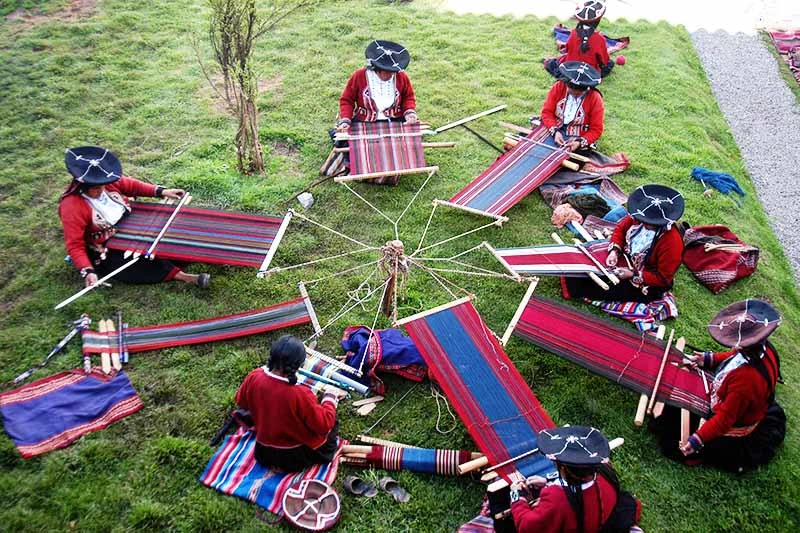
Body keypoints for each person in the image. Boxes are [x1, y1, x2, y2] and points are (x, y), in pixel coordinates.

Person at [651, 299, 785, 473]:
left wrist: (697, 439)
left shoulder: (747, 380)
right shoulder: (762, 348)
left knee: (667, 422)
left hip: (733, 421)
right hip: (737, 401)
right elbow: (734, 356)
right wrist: (708, 359)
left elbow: (725, 419)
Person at [59, 146, 210, 289]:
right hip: (107, 243)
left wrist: (161, 191)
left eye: (103, 186)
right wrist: (88, 270)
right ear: (83, 186)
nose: (102, 190)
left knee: (176, 231)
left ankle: (203, 249)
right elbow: (75, 245)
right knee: (135, 261)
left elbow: (131, 185)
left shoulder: (105, 181)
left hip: (134, 222)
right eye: (96, 189)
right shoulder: (72, 207)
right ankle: (185, 277)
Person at [235, 335, 345, 472]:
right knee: (332, 423)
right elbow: (323, 425)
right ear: (299, 365)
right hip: (293, 457)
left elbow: (242, 402)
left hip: (263, 452)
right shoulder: (300, 394)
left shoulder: (254, 376)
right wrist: (330, 397)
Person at [562, 184, 685, 303]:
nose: (644, 224)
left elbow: (663, 278)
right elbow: (620, 229)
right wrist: (614, 251)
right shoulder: (639, 216)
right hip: (625, 258)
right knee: (580, 270)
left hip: (648, 278)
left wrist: (632, 274)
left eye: (650, 223)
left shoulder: (672, 242)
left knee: (591, 287)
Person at [509, 425, 641, 533]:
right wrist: (548, 483)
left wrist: (517, 497)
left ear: (563, 468)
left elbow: (527, 527)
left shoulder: (556, 498)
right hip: (598, 520)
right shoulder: (605, 471)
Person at [336, 39, 418, 132]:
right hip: (365, 121)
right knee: (352, 142)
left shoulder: (401, 77)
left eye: (393, 72)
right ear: (377, 69)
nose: (391, 75)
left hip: (395, 120)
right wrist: (346, 119)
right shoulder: (359, 76)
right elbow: (347, 100)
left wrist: (409, 112)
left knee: (406, 142)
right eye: (387, 72)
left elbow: (408, 97)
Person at [541, 61, 604, 154]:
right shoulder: (559, 87)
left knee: (573, 158)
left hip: (578, 134)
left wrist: (578, 143)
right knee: (537, 145)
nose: (574, 94)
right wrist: (555, 131)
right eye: (571, 90)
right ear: (566, 84)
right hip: (556, 125)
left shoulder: (595, 98)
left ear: (586, 89)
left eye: (578, 93)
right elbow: (547, 112)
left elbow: (596, 129)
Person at [545, 1, 615, 79]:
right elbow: (604, 61)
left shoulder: (573, 33)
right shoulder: (600, 39)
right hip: (588, 73)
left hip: (570, 67)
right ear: (597, 21)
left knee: (556, 61)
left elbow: (567, 49)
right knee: (610, 63)